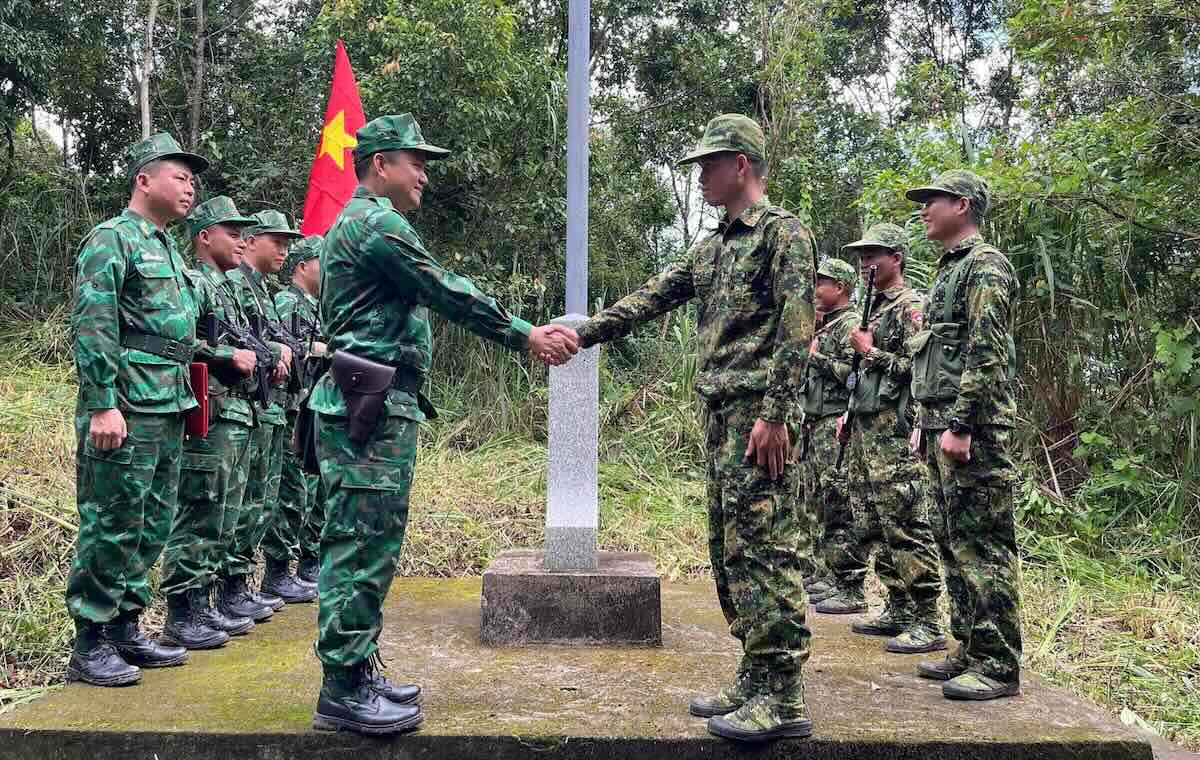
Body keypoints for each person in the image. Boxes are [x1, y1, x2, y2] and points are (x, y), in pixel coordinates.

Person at [309, 113, 579, 735]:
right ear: (381, 164)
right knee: (358, 543)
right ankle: (342, 689)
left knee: (370, 540)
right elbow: (445, 290)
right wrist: (524, 334)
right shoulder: (377, 224)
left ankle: (355, 671)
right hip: (367, 408)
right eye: (415, 161)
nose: (424, 173)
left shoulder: (362, 221)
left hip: (374, 404)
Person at [576, 113, 815, 743]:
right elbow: (652, 297)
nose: (700, 177)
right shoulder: (711, 247)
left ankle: (784, 694)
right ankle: (754, 673)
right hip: (719, 416)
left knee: (767, 548)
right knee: (729, 548)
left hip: (758, 417)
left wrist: (775, 416)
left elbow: (798, 332)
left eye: (708, 165)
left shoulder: (783, 235)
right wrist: (579, 333)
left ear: (741, 165)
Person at [66, 132, 208, 686]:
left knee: (151, 524)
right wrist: (102, 404)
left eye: (193, 180)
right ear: (144, 179)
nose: (189, 185)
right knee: (113, 522)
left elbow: (179, 335)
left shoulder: (167, 247)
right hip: (126, 405)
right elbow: (94, 322)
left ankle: (125, 627)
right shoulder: (113, 239)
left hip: (168, 404)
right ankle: (89, 641)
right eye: (180, 175)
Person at [905, 170, 1022, 700]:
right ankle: (972, 647)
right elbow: (936, 356)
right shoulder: (947, 271)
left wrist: (960, 424)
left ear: (963, 204)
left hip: (972, 430)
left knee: (983, 546)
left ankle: (998, 663)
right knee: (952, 543)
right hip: (938, 426)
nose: (923, 209)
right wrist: (925, 423)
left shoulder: (985, 265)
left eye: (931, 201)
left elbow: (986, 350)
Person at [160, 196, 265, 650]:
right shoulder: (195, 282)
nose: (242, 242)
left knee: (225, 515)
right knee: (201, 511)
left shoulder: (228, 289)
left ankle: (206, 604)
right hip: (211, 415)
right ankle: (182, 613)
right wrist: (226, 354)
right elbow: (179, 341)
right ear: (204, 237)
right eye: (232, 233)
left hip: (237, 413)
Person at [836, 222, 945, 654]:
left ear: (896, 257)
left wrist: (870, 351)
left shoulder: (909, 306)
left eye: (874, 255)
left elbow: (916, 370)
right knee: (872, 521)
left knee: (904, 521)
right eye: (862, 257)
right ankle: (897, 605)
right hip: (865, 425)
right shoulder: (872, 308)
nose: (866, 264)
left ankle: (928, 618)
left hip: (892, 431)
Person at [226, 211, 315, 605]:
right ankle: (227, 591)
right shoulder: (234, 285)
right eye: (276, 240)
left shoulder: (260, 291)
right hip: (247, 406)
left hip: (276, 407)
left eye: (288, 243)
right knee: (239, 503)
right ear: (250, 240)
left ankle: (251, 584)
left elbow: (284, 345)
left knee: (266, 498)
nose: (284, 248)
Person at [800, 258, 882, 616]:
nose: (815, 288)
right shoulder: (826, 325)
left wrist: (816, 359)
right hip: (816, 421)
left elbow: (854, 373)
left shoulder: (849, 324)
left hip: (836, 422)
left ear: (841, 288)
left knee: (839, 501)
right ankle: (827, 573)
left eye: (822, 281)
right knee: (818, 499)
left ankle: (847, 580)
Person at [273, 235, 327, 586]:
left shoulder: (315, 307)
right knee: (292, 493)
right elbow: (285, 355)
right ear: (303, 265)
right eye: (324, 263)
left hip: (312, 410)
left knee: (314, 491)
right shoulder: (287, 303)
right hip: (291, 408)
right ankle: (282, 569)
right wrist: (316, 349)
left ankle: (309, 560)